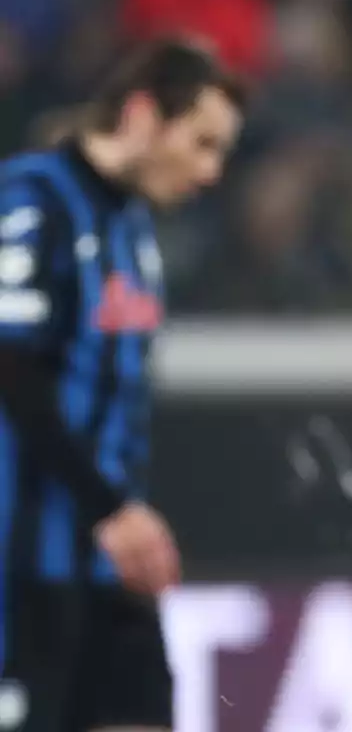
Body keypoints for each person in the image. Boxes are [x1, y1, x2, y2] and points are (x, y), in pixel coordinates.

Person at [0, 38, 245, 732]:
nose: (211, 171)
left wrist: (116, 513)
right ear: (141, 114)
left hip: (111, 567)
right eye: (201, 143)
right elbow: (11, 367)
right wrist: (110, 508)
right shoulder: (31, 198)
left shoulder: (134, 226)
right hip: (25, 570)